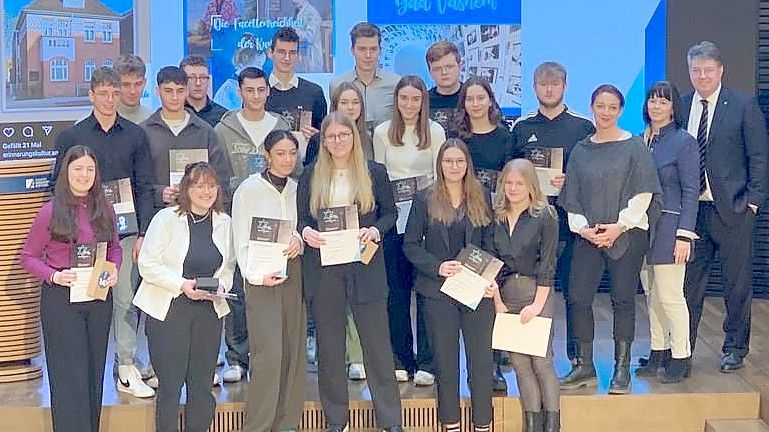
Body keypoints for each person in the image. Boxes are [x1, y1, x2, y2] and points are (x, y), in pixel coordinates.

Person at [52, 67, 156, 398]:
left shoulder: (136, 135)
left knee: (125, 298)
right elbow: (58, 186)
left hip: (124, 234)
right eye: (104, 93)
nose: (111, 99)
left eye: (115, 93)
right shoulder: (73, 137)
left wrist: (143, 233)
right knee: (87, 298)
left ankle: (126, 364)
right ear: (91, 95)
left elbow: (144, 185)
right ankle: (88, 364)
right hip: (82, 234)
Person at [298, 111, 403, 432]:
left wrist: (375, 231)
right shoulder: (310, 175)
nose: (337, 141)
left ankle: (390, 421)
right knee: (330, 350)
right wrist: (306, 233)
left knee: (377, 348)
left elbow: (391, 214)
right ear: (323, 141)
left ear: (353, 137)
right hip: (325, 270)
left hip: (366, 266)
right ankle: (336, 420)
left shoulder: (374, 172)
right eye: (331, 137)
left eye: (343, 135)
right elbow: (302, 219)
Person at [557, 84, 661, 394]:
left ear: (620, 110)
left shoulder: (635, 147)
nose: (605, 112)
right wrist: (583, 229)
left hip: (626, 236)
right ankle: (584, 366)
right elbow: (571, 195)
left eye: (612, 107)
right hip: (588, 236)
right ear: (592, 108)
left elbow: (644, 192)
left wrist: (619, 226)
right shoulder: (581, 149)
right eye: (600, 106)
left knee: (623, 299)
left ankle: (621, 369)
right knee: (577, 296)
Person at [682, 41, 768, 373]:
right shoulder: (683, 104)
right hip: (692, 212)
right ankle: (682, 348)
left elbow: (759, 157)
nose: (702, 76)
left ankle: (735, 347)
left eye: (708, 70)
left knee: (736, 285)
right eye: (695, 70)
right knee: (688, 286)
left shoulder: (743, 105)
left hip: (734, 210)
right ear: (689, 72)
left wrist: (754, 203)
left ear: (720, 71)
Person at [21, 145, 120, 432]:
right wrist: (54, 276)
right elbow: (27, 257)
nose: (84, 174)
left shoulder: (105, 207)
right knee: (68, 377)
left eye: (89, 169)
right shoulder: (50, 211)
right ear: (66, 172)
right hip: (61, 301)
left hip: (98, 298)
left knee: (93, 373)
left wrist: (112, 268)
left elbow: (114, 249)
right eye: (78, 169)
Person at [134, 162, 236, 432]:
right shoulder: (166, 219)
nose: (207, 191)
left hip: (208, 312)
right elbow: (147, 264)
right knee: (170, 386)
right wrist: (182, 285)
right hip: (169, 310)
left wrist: (221, 287)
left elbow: (228, 267)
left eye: (211, 185)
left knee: (202, 386)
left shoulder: (224, 222)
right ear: (186, 189)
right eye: (199, 186)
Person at [402, 138, 496, 432]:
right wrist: (438, 266)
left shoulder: (481, 195)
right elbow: (411, 245)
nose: (454, 167)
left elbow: (492, 242)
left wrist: (489, 279)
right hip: (437, 292)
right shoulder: (424, 198)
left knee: (481, 363)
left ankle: (483, 423)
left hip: (477, 292)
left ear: (468, 164)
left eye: (459, 161)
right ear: (439, 164)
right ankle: (450, 424)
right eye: (448, 161)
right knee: (445, 363)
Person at [511, 61, 594, 368]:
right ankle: (525, 348)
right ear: (534, 88)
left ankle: (576, 357)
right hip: (530, 222)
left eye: (555, 84)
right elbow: (512, 174)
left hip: (571, 221)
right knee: (528, 288)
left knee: (574, 290)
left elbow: (593, 173)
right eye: (543, 85)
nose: (549, 89)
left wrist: (570, 179)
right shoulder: (521, 127)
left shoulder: (583, 126)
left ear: (565, 86)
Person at [232, 130, 306, 431]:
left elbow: (300, 228)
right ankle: (258, 426)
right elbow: (240, 241)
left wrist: (299, 240)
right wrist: (254, 275)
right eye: (281, 153)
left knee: (293, 350)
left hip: (292, 274)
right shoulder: (248, 190)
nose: (287, 159)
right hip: (260, 279)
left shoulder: (297, 189)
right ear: (267, 155)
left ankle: (287, 423)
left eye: (292, 153)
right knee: (268, 354)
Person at [373, 75, 445, 386]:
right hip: (393, 224)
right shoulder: (381, 133)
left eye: (416, 99)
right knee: (396, 295)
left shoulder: (436, 131)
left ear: (423, 102)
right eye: (404, 98)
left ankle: (428, 362)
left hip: (427, 225)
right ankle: (401, 358)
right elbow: (378, 178)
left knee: (428, 295)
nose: (410, 105)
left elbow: (441, 177)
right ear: (396, 100)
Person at [488, 159, 560, 432]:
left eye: (519, 183)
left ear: (531, 185)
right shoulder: (496, 216)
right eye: (508, 182)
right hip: (506, 295)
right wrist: (498, 303)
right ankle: (532, 425)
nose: (513, 188)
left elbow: (548, 263)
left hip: (536, 294)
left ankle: (552, 425)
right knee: (519, 365)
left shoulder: (546, 215)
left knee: (541, 363)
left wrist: (537, 304)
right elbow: (493, 261)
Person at [635, 81, 699, 383]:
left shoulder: (684, 141)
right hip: (642, 228)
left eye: (663, 101)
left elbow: (690, 191)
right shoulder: (641, 139)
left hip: (671, 228)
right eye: (652, 100)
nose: (656, 106)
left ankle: (681, 356)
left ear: (674, 107)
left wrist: (685, 234)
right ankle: (658, 350)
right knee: (652, 296)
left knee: (671, 296)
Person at [141, 66, 232, 218]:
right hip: (158, 218)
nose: (175, 97)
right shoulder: (144, 132)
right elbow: (137, 181)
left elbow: (221, 179)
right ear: (157, 91)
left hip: (200, 217)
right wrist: (158, 193)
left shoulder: (205, 132)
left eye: (180, 90)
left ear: (187, 91)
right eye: (168, 91)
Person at [215, 67, 293, 189]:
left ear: (268, 91)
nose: (256, 96)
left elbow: (295, 171)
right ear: (239, 92)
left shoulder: (282, 128)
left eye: (261, 90)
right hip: (235, 204)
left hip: (276, 202)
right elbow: (216, 173)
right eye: (250, 90)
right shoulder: (223, 130)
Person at [450, 76, 521, 191]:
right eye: (469, 99)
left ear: (490, 101)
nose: (475, 104)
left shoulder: (505, 136)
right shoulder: (454, 136)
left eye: (481, 98)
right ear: (463, 104)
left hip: (495, 201)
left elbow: (510, 174)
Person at [265, 27, 328, 157]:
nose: (287, 58)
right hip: (266, 169)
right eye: (282, 52)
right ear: (270, 53)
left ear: (298, 55)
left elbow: (324, 136)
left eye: (292, 53)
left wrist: (315, 136)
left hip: (305, 169)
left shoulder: (314, 92)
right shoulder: (258, 91)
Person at [329, 22, 400, 132]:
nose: (368, 55)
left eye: (373, 49)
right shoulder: (337, 85)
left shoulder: (396, 84)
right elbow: (334, 125)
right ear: (352, 50)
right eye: (362, 49)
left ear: (380, 50)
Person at [180, 55, 228, 127]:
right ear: (182, 80)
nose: (198, 83)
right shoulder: (174, 113)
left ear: (208, 80)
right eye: (192, 77)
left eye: (202, 77)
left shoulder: (223, 116)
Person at [426, 40, 463, 131]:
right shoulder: (423, 101)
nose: (444, 72)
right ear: (430, 72)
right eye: (437, 69)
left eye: (449, 67)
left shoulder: (474, 98)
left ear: (460, 66)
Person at [115, 54, 153, 124]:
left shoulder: (151, 119)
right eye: (126, 85)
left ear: (144, 83)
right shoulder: (104, 119)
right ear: (115, 84)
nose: (133, 91)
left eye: (138, 84)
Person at [292, 0, 324, 72]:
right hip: (299, 58)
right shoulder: (297, 10)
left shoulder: (312, 13)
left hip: (310, 59)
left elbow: (309, 36)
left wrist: (293, 31)